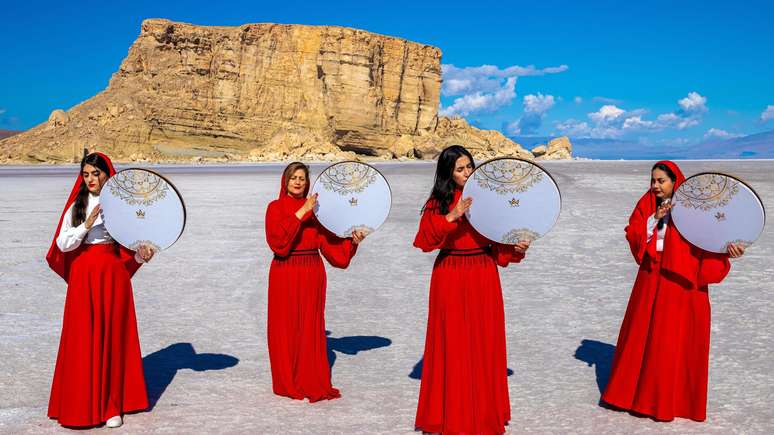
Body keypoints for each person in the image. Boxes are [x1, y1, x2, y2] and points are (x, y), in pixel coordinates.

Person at [601, 160, 745, 422]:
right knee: (640, 337)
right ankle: (631, 397)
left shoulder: (695, 209)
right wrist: (652, 220)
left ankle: (671, 401)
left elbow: (711, 240)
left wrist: (728, 251)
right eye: (653, 180)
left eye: (661, 181)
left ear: (675, 182)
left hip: (681, 285)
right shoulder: (647, 203)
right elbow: (632, 232)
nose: (655, 186)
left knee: (671, 342)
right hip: (649, 279)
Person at [413, 146, 530, 433]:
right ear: (448, 173)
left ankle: (483, 412)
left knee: (483, 341)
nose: (467, 173)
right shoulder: (437, 202)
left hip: (482, 273)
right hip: (450, 274)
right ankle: (446, 415)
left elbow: (500, 242)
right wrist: (452, 216)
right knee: (451, 343)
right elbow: (425, 240)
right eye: (460, 169)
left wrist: (516, 248)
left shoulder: (488, 198)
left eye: (469, 167)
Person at [46, 151, 155, 428]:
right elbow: (63, 244)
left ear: (107, 173)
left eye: (96, 173)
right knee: (84, 335)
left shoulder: (121, 204)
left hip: (112, 274)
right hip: (84, 275)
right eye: (86, 174)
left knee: (113, 335)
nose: (91, 179)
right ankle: (81, 403)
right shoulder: (78, 205)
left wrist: (141, 254)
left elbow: (129, 244)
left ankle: (112, 404)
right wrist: (86, 224)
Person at [264, 161, 366, 402]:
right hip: (285, 271)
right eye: (293, 178)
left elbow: (332, 248)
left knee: (310, 325)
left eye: (302, 178)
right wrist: (302, 212)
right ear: (285, 181)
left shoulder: (318, 212)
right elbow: (278, 242)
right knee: (285, 326)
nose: (298, 182)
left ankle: (309, 376)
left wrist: (352, 242)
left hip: (311, 271)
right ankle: (287, 380)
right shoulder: (275, 208)